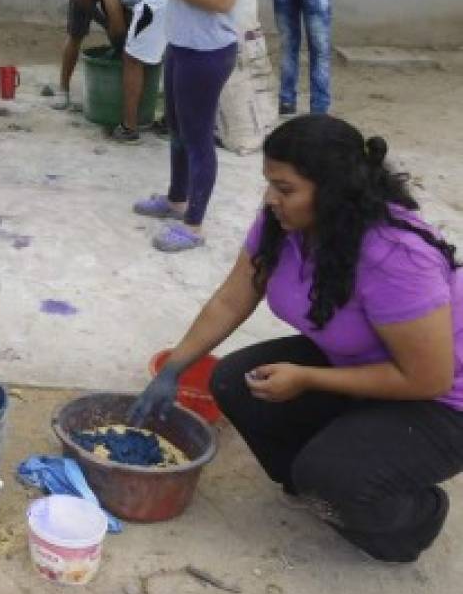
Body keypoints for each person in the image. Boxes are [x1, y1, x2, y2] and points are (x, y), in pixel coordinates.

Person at [131, 115, 463, 563]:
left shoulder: (396, 257)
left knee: (335, 476)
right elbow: (232, 300)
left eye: (285, 189)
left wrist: (308, 378)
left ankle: (414, 519)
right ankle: (319, 483)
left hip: (441, 402)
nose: (270, 200)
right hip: (358, 363)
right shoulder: (284, 225)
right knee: (233, 380)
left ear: (333, 191)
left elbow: (429, 379)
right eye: (270, 184)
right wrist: (175, 367)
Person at [134, 0, 250, 252]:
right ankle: (176, 198)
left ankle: (194, 225)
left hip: (207, 51)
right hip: (183, 45)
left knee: (198, 136)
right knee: (179, 130)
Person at [56, 0, 155, 111]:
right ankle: (63, 90)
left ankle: (137, 88)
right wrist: (106, 23)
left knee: (131, 33)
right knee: (76, 32)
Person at [93, 0, 177, 143]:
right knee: (176, 56)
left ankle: (128, 128)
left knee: (132, 59)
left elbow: (117, 27)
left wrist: (120, 46)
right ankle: (171, 122)